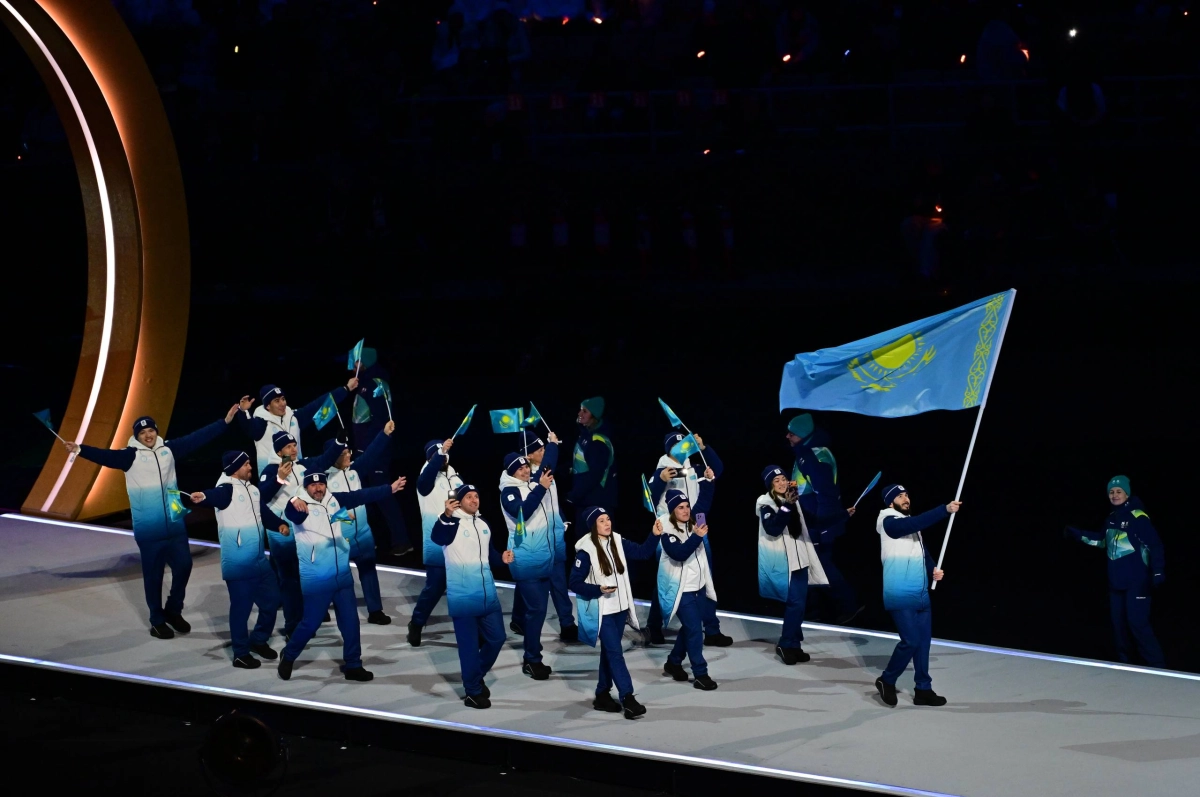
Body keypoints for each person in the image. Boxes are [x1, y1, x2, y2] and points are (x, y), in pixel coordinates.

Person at [65, 404, 239, 637]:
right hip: (149, 528)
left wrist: (224, 422)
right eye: (142, 433)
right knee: (154, 575)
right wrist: (79, 449)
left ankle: (173, 611)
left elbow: (197, 438)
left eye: (151, 431)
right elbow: (105, 456)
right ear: (136, 436)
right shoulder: (130, 456)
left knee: (184, 567)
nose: (148, 435)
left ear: (156, 432)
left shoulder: (169, 449)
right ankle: (157, 620)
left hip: (175, 523)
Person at [278, 471, 405, 681]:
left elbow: (361, 495)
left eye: (321, 485)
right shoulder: (300, 507)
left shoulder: (333, 500)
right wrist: (293, 499)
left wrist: (388, 489)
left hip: (342, 576)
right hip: (317, 578)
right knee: (310, 623)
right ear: (306, 487)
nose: (318, 489)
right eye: (313, 486)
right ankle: (289, 655)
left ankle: (353, 664)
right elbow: (292, 513)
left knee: (350, 622)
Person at [189, 451, 280, 669]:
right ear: (234, 468)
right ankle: (240, 653)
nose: (251, 467)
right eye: (246, 464)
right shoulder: (226, 489)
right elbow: (214, 495)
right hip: (237, 564)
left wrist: (279, 524)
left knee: (272, 601)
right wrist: (203, 496)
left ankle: (258, 640)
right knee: (241, 609)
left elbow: (263, 513)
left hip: (259, 560)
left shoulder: (253, 490)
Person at [570, 505, 661, 719]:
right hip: (603, 611)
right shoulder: (586, 550)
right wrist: (598, 589)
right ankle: (628, 698)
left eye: (608, 518)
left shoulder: (617, 540)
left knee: (609, 653)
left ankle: (602, 693)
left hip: (620, 609)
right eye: (601, 520)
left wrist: (654, 535)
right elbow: (574, 582)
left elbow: (642, 552)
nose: (607, 523)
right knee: (615, 653)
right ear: (593, 525)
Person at [1065, 475, 1166, 668]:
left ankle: (1158, 668)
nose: (1114, 495)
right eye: (1111, 492)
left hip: (1138, 582)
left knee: (1137, 624)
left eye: (1118, 491)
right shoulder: (1111, 518)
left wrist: (1158, 570)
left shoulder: (1138, 517)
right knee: (1119, 628)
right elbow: (1102, 541)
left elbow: (1155, 545)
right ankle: (1125, 667)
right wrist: (1078, 534)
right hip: (1116, 583)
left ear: (1127, 494)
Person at [758, 466, 854, 665]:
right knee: (795, 604)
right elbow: (773, 528)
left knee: (800, 606)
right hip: (783, 562)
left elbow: (816, 522)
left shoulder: (795, 502)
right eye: (777, 481)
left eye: (784, 478)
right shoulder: (765, 502)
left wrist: (843, 514)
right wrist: (786, 505)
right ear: (770, 486)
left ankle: (794, 644)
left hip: (800, 560)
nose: (783, 483)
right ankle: (786, 644)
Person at [874, 483, 956, 708]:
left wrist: (932, 569)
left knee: (923, 644)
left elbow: (922, 552)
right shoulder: (888, 521)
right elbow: (913, 522)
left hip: (919, 591)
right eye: (900, 496)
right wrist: (944, 510)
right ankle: (886, 680)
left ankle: (923, 689)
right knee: (910, 641)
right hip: (898, 590)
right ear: (891, 502)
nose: (905, 498)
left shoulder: (910, 525)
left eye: (907, 494)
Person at [431, 483, 513, 708]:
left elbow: (489, 554)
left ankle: (474, 677)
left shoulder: (483, 523)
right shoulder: (450, 524)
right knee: (468, 648)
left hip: (488, 595)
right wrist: (446, 514)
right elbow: (437, 537)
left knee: (497, 638)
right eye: (469, 497)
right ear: (458, 501)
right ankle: (472, 691)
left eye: (476, 496)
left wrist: (501, 558)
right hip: (464, 597)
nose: (474, 500)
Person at [646, 431, 729, 647]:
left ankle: (711, 629)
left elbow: (717, 470)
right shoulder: (661, 470)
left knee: (704, 577)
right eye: (679, 446)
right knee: (666, 579)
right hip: (669, 529)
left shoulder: (694, 466)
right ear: (670, 449)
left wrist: (704, 449)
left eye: (686, 445)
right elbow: (648, 502)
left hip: (695, 525)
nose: (684, 450)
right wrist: (659, 482)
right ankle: (654, 626)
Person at [258, 431, 342, 639]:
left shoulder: (302, 466)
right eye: (288, 447)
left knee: (310, 575)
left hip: (305, 534)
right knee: (290, 581)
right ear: (279, 451)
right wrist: (279, 479)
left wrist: (339, 443)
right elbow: (261, 496)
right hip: (283, 535)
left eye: (295, 445)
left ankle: (312, 614)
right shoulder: (270, 470)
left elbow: (323, 461)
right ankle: (292, 625)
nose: (294, 449)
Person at [323, 420, 405, 626]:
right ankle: (322, 607)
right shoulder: (322, 481)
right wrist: (343, 516)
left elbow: (371, 454)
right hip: (341, 539)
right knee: (334, 575)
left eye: (349, 451)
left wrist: (384, 433)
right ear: (333, 457)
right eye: (344, 453)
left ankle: (375, 610)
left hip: (364, 534)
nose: (350, 455)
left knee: (369, 571)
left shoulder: (355, 470)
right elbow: (323, 512)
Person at [787, 413, 863, 625]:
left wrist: (824, 528)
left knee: (823, 565)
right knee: (811, 565)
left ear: (802, 435)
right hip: (809, 522)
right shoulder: (805, 452)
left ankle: (849, 606)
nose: (787, 436)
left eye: (791, 433)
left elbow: (826, 495)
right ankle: (812, 611)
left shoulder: (816, 456)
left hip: (819, 524)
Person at [509, 430, 578, 642]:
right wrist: (553, 444)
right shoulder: (529, 479)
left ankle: (567, 623)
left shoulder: (545, 473)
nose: (544, 452)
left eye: (544, 449)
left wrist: (561, 518)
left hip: (552, 535)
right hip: (532, 541)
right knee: (528, 581)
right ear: (528, 455)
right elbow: (549, 463)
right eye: (539, 450)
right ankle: (519, 619)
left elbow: (551, 501)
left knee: (558, 580)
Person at [347, 348, 413, 554]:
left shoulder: (375, 383)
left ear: (364, 362)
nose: (352, 366)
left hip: (373, 451)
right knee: (364, 495)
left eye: (356, 362)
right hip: (364, 450)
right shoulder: (365, 382)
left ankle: (402, 542)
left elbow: (383, 420)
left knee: (384, 494)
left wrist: (371, 448)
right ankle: (369, 540)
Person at [499, 451, 556, 680]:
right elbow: (521, 512)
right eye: (519, 468)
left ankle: (526, 641)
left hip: (542, 556)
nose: (525, 470)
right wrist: (541, 487)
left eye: (526, 467)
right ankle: (532, 659)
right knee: (537, 610)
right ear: (511, 472)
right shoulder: (509, 492)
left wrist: (552, 445)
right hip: (524, 558)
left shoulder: (532, 484)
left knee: (536, 610)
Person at [656, 489, 719, 691]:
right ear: (672, 510)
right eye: (680, 508)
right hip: (681, 590)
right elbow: (679, 553)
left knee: (690, 628)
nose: (685, 510)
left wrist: (708, 482)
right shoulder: (666, 531)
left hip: (698, 588)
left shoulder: (692, 524)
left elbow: (705, 499)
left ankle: (674, 662)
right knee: (694, 631)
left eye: (686, 506)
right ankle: (700, 673)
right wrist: (697, 537)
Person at [236, 376, 358, 472]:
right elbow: (249, 426)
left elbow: (319, 403)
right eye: (277, 401)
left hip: (296, 472)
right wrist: (243, 411)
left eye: (283, 399)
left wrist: (345, 389)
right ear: (267, 406)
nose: (282, 403)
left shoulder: (294, 417)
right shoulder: (261, 423)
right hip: (273, 476)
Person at [409, 438, 464, 646]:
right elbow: (426, 477)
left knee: (462, 588)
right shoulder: (425, 479)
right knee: (434, 587)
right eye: (437, 454)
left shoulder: (455, 477)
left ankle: (470, 630)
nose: (443, 458)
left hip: (460, 542)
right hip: (436, 543)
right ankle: (416, 622)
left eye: (444, 454)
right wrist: (440, 452)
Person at [568, 397, 617, 527]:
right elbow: (580, 464)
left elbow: (595, 475)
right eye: (580, 410)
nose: (579, 414)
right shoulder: (585, 436)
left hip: (595, 503)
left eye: (585, 411)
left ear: (594, 416)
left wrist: (573, 495)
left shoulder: (597, 441)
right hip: (585, 501)